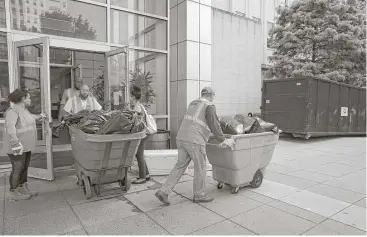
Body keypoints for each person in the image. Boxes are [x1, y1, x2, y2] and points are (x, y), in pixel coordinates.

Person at [155, 87, 235, 204]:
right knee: (201, 166)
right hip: (194, 140)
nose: (213, 99)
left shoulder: (193, 104)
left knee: (180, 165)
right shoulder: (209, 105)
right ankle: (199, 194)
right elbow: (214, 124)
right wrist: (223, 139)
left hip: (181, 138)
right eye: (213, 96)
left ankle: (164, 191)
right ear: (210, 95)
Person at [3, 89, 46, 201]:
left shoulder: (23, 110)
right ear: (22, 99)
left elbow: (31, 118)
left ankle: (23, 188)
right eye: (28, 98)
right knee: (17, 168)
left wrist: (40, 116)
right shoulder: (12, 111)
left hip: (25, 146)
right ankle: (13, 192)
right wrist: (15, 141)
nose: (30, 100)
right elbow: (10, 127)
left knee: (24, 167)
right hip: (17, 147)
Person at [130, 85, 150, 184]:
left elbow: (135, 122)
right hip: (144, 133)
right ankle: (146, 174)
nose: (130, 98)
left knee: (139, 155)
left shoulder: (137, 107)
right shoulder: (140, 105)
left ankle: (142, 177)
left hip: (142, 134)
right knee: (140, 154)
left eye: (130, 96)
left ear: (133, 97)